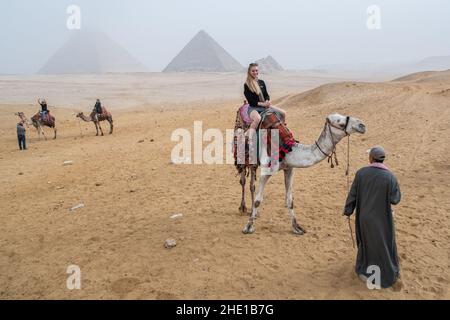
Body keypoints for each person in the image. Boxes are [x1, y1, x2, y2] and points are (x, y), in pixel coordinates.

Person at [343, 146, 402, 288]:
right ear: (383, 159)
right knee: (384, 244)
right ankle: (385, 274)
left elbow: (353, 195)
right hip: (382, 219)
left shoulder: (361, 173)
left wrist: (348, 210)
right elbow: (395, 199)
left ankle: (366, 272)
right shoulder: (390, 177)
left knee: (366, 244)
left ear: (370, 158)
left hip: (364, 218)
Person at [244, 63, 286, 133]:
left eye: (256, 70)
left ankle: (282, 131)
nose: (255, 72)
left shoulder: (261, 82)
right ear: (249, 72)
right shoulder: (247, 84)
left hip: (265, 106)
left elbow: (266, 95)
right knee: (257, 119)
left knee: (283, 113)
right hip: (254, 108)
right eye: (253, 71)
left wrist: (267, 101)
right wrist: (263, 104)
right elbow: (251, 101)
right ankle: (249, 138)